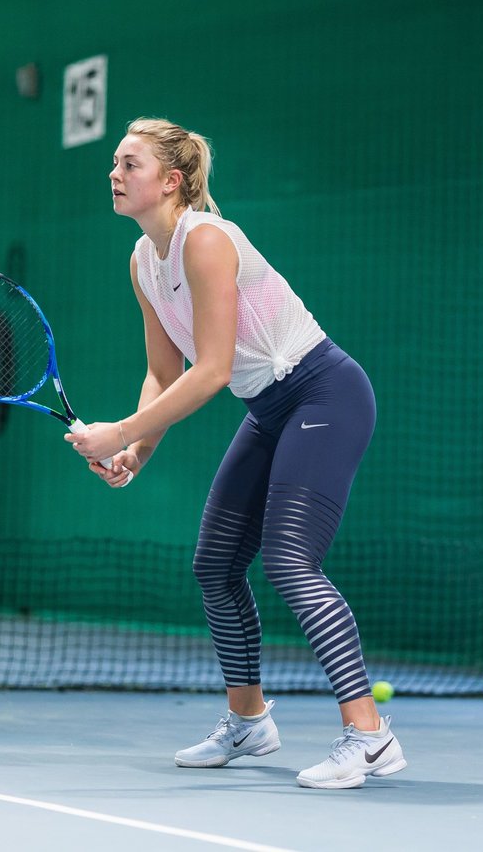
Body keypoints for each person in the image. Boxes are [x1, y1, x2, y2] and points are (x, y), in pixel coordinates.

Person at [64, 118, 404, 789]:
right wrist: (136, 451)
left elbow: (213, 369)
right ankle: (249, 722)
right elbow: (165, 372)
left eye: (129, 164)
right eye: (113, 162)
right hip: (270, 407)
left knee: (289, 559)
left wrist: (118, 430)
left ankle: (370, 736)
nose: (114, 173)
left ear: (172, 180)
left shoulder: (208, 240)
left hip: (324, 393)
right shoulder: (142, 261)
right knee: (215, 565)